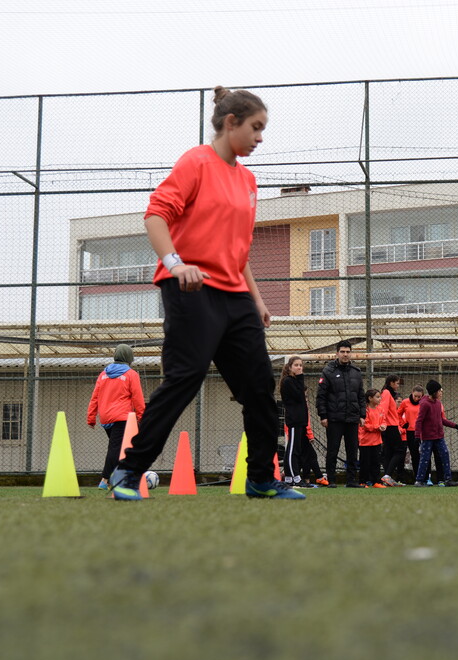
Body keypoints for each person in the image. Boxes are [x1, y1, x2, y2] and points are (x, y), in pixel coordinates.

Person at [110, 87, 303, 500]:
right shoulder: (195, 161)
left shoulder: (248, 180)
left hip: (235, 296)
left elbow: (238, 249)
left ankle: (261, 480)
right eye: (255, 127)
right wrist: (176, 263)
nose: (260, 138)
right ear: (230, 122)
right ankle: (127, 473)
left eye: (263, 129)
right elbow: (156, 216)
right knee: (185, 377)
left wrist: (256, 298)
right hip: (190, 288)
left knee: (258, 388)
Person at [87, 344, 146, 491]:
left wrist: (91, 417)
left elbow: (95, 397)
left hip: (106, 418)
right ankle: (104, 480)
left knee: (122, 449)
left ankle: (119, 479)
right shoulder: (131, 375)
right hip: (123, 417)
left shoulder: (103, 374)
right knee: (116, 449)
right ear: (129, 358)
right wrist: (142, 417)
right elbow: (138, 398)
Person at [317, 340, 366, 488]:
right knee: (332, 450)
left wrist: (362, 415)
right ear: (337, 353)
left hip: (352, 418)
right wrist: (323, 415)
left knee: (352, 451)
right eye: (342, 352)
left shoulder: (356, 373)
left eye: (348, 352)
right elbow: (321, 396)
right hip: (334, 419)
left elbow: (361, 396)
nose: (345, 354)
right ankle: (331, 480)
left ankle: (351, 480)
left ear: (351, 353)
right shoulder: (328, 371)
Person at [279, 356, 325, 488]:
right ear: (290, 367)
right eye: (296, 365)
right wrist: (300, 377)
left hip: (300, 421)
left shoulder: (294, 381)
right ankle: (294, 477)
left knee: (295, 449)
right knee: (293, 450)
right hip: (294, 421)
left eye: (301, 365)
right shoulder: (288, 381)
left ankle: (289, 478)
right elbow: (299, 396)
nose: (299, 368)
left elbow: (301, 396)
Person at [413, 380, 458, 487]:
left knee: (445, 454)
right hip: (427, 437)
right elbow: (419, 420)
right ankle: (419, 480)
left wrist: (455, 426)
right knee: (425, 458)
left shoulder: (438, 403)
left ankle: (448, 479)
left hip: (439, 436)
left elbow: (441, 420)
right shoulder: (425, 404)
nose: (441, 392)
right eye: (439, 391)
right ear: (433, 392)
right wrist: (417, 435)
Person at [379, 374, 407, 486]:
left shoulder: (388, 393)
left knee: (388, 452)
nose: (398, 386)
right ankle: (387, 475)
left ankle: (387, 478)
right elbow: (383, 409)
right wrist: (383, 422)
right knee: (400, 451)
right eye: (397, 383)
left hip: (389, 425)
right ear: (391, 383)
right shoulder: (386, 392)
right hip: (390, 426)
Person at [359, 389, 386, 488]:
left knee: (376, 462)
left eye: (380, 397)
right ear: (370, 398)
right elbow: (365, 425)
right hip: (365, 441)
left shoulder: (381, 409)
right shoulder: (365, 410)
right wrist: (377, 427)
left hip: (377, 441)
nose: (380, 399)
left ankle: (376, 482)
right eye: (377, 397)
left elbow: (384, 420)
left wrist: (383, 426)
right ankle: (363, 481)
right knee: (365, 463)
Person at [399, 385, 426, 483]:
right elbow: (397, 414)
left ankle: (422, 478)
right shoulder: (405, 402)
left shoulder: (424, 403)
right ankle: (408, 478)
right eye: (415, 396)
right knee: (409, 455)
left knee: (420, 455)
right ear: (412, 393)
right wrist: (402, 423)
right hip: (409, 432)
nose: (417, 398)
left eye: (419, 397)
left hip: (421, 432)